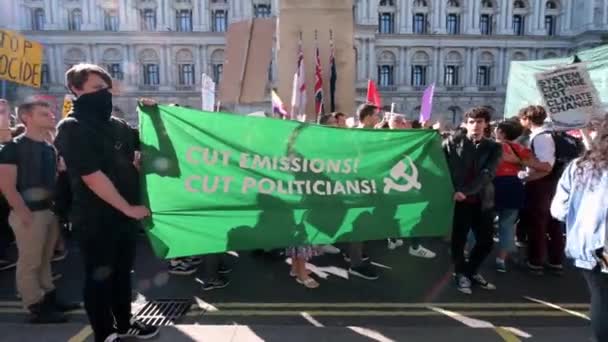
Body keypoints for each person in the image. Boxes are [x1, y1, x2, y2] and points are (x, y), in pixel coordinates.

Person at [54, 64, 159, 342]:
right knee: (99, 277)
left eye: (107, 88)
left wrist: (155, 115)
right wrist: (128, 207)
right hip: (94, 219)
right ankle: (104, 332)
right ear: (76, 90)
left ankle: (124, 323)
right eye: (97, 88)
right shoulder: (71, 127)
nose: (105, 94)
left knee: (123, 273)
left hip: (123, 219)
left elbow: (148, 144)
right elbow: (91, 176)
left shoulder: (118, 125)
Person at [0, 100, 75, 323]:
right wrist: (23, 213)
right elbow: (6, 185)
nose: (52, 116)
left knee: (44, 260)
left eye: (50, 113)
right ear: (27, 118)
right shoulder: (13, 147)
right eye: (44, 114)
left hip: (48, 212)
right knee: (30, 262)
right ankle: (34, 305)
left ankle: (48, 298)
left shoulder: (47, 147)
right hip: (30, 213)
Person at [551, 116, 608, 342]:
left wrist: (582, 216)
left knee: (602, 299)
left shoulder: (579, 166)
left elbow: (559, 210)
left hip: (592, 244)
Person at [443, 106, 502, 294]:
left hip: (482, 201)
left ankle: (470, 271)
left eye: (479, 122)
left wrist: (466, 192)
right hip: (458, 201)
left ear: (486, 125)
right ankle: (460, 274)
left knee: (486, 242)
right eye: (471, 122)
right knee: (458, 242)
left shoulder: (494, 147)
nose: (475, 126)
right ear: (465, 124)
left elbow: (488, 173)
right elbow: (440, 167)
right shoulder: (453, 142)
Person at [517, 105, 564, 274]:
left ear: (527, 119)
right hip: (548, 184)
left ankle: (536, 262)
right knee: (552, 223)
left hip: (542, 185)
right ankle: (555, 260)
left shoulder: (541, 137)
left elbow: (546, 166)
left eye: (521, 118)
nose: (520, 122)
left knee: (539, 224)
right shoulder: (546, 135)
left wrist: (526, 175)